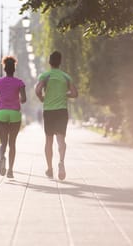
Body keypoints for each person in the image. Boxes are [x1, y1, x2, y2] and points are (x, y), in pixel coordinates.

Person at [35, 51, 78, 180]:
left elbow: (37, 90)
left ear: (49, 62)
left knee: (49, 140)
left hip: (49, 111)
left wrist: (42, 97)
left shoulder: (45, 76)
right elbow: (75, 93)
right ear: (60, 62)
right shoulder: (66, 77)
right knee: (61, 139)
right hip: (62, 111)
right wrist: (66, 94)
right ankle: (61, 163)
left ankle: (49, 168)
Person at [0, 56, 26, 178]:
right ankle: (10, 170)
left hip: (2, 113)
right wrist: (15, 97)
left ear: (4, 69)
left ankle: (1, 157)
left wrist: (2, 97)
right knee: (12, 143)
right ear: (14, 69)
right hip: (15, 114)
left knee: (3, 142)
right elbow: (24, 99)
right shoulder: (19, 82)